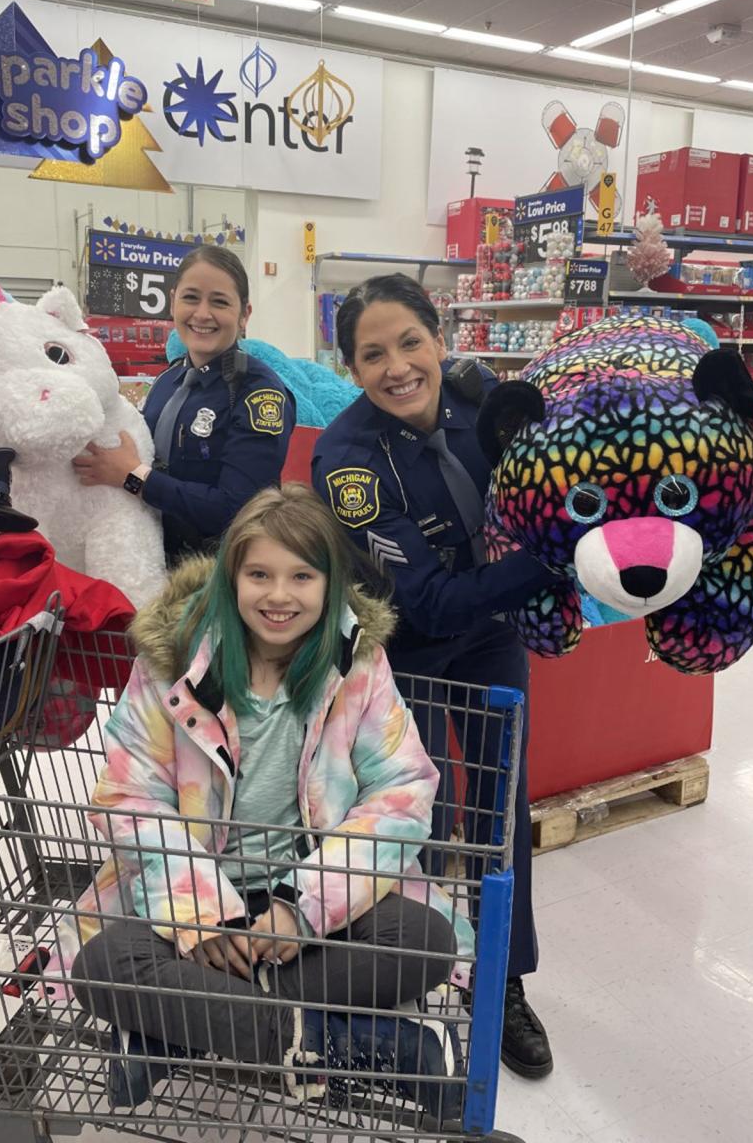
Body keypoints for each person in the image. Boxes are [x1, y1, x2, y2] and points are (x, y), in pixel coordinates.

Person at [68, 483, 471, 1116]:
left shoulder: (358, 668)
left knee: (422, 938)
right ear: (231, 578)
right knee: (100, 963)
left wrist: (301, 906)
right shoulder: (171, 664)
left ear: (330, 584)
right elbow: (129, 796)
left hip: (313, 900)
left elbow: (403, 790)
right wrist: (202, 917)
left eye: (301, 576)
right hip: (198, 892)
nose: (279, 596)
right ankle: (339, 1038)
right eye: (259, 574)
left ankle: (177, 1033)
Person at [311, 274, 559, 1080]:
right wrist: (550, 563)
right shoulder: (345, 459)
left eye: (410, 343)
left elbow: (550, 484)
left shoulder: (481, 399)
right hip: (405, 652)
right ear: (350, 367)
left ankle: (504, 980)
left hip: (491, 640)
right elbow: (428, 598)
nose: (398, 367)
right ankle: (397, 975)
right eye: (372, 354)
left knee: (500, 808)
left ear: (440, 338)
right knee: (408, 817)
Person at [73, 247, 296, 564]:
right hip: (148, 559)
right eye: (191, 298)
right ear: (173, 300)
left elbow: (239, 512)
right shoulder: (169, 379)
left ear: (244, 314)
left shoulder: (257, 394)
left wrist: (133, 476)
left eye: (219, 302)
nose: (202, 314)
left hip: (218, 578)